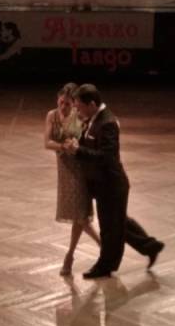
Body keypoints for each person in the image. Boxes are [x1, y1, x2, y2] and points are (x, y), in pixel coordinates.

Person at [64, 84, 164, 279]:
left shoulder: (107, 123)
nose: (77, 110)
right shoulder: (93, 119)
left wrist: (78, 151)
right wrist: (78, 144)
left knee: (110, 230)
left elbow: (107, 156)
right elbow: (91, 144)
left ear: (91, 104)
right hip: (103, 184)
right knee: (118, 223)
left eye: (79, 106)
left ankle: (105, 266)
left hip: (111, 184)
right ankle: (151, 246)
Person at [45, 82, 101, 276]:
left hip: (79, 167)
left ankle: (69, 256)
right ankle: (103, 247)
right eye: (61, 102)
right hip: (64, 170)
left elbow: (88, 137)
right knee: (81, 217)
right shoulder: (52, 116)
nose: (63, 107)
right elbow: (47, 142)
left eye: (67, 103)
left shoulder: (79, 115)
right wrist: (63, 147)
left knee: (80, 215)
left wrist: (76, 145)